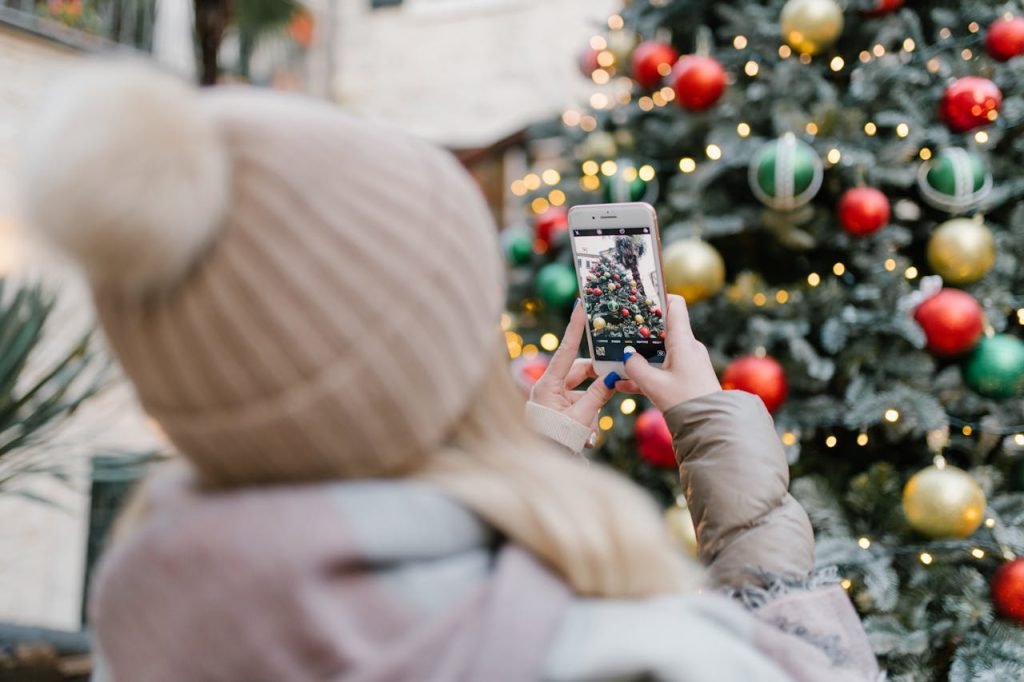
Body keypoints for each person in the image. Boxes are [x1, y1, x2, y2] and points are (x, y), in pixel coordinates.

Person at [18, 61, 880, 682]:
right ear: (434, 353)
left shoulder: (153, 619)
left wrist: (533, 453)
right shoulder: (606, 651)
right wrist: (714, 430)